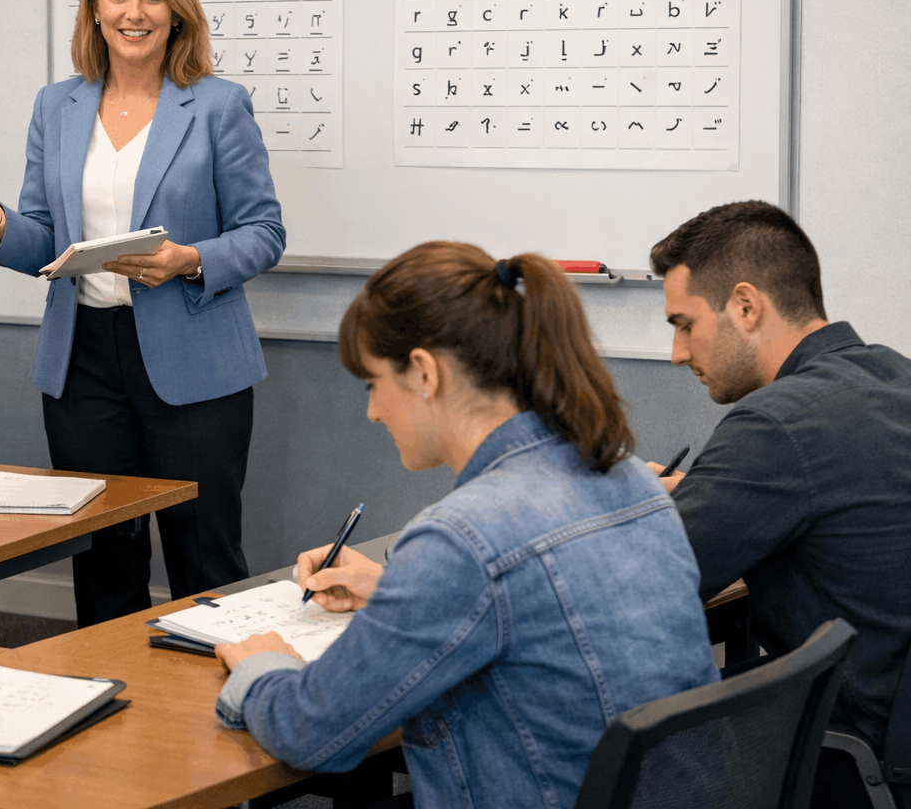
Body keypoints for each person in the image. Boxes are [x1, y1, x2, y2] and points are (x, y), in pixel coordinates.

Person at [213, 242, 718, 807]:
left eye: (373, 384)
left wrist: (262, 662)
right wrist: (393, 589)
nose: (372, 412)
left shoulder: (462, 539)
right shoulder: (628, 476)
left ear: (425, 372)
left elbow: (312, 732)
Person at [0, 0, 284, 624]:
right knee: (105, 560)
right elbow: (45, 242)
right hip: (83, 363)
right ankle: (118, 713)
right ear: (94, 6)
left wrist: (189, 260)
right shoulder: (58, 106)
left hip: (195, 365)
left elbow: (264, 233)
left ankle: (221, 712)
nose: (133, 12)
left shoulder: (217, 105)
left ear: (177, 10)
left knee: (205, 561)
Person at [649, 200, 911, 809]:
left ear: (745, 305)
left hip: (854, 762)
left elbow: (647, 585)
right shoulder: (891, 375)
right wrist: (700, 492)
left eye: (684, 324)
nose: (678, 353)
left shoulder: (776, 425)